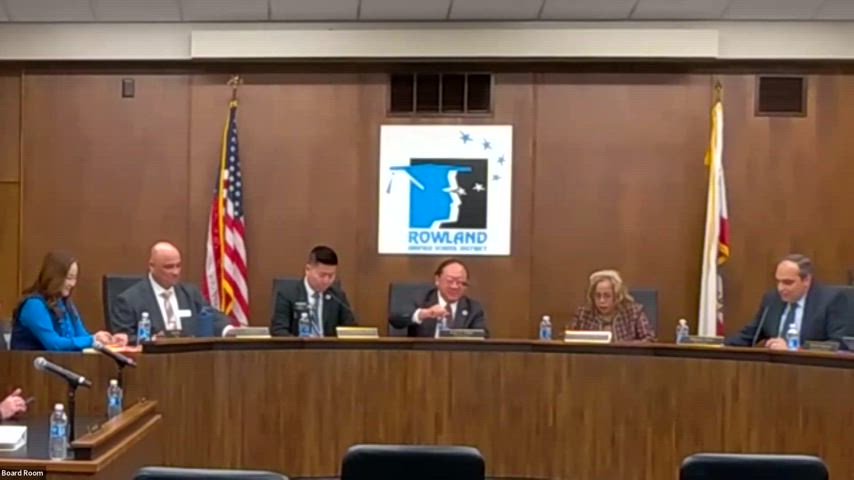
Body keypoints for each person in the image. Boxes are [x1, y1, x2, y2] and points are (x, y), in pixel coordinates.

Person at [111, 242, 231, 342]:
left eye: (178, 266)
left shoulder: (190, 293)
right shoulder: (129, 300)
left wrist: (229, 330)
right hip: (152, 359)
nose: (175, 272)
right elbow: (122, 338)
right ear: (151, 266)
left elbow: (213, 317)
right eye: (169, 267)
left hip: (190, 356)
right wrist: (152, 340)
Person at [725, 254, 849, 349]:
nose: (781, 288)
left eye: (788, 282)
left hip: (814, 370)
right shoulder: (772, 300)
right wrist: (719, 345)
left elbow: (838, 344)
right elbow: (749, 335)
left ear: (806, 280)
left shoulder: (830, 300)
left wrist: (794, 349)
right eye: (778, 281)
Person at [11, 251, 125, 351]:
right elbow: (54, 344)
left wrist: (105, 341)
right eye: (69, 278)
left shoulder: (65, 303)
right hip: (31, 366)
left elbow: (82, 336)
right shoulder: (34, 305)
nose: (72, 284)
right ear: (54, 277)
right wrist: (92, 340)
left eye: (74, 278)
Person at [388, 258, 488, 337]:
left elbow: (483, 336)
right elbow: (395, 319)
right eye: (450, 281)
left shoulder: (473, 308)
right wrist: (423, 314)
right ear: (437, 280)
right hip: (423, 355)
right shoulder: (420, 299)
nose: (454, 286)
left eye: (460, 282)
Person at [270, 246, 356, 337]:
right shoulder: (287, 294)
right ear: (308, 270)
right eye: (322, 275)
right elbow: (278, 330)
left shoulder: (337, 296)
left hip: (329, 346)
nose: (326, 281)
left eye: (331, 276)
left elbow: (350, 330)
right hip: (299, 345)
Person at [569, 269, 655, 342]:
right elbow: (568, 341)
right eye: (598, 296)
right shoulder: (583, 315)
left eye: (607, 296)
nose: (602, 301)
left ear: (617, 297)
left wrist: (627, 347)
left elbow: (649, 340)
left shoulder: (634, 313)